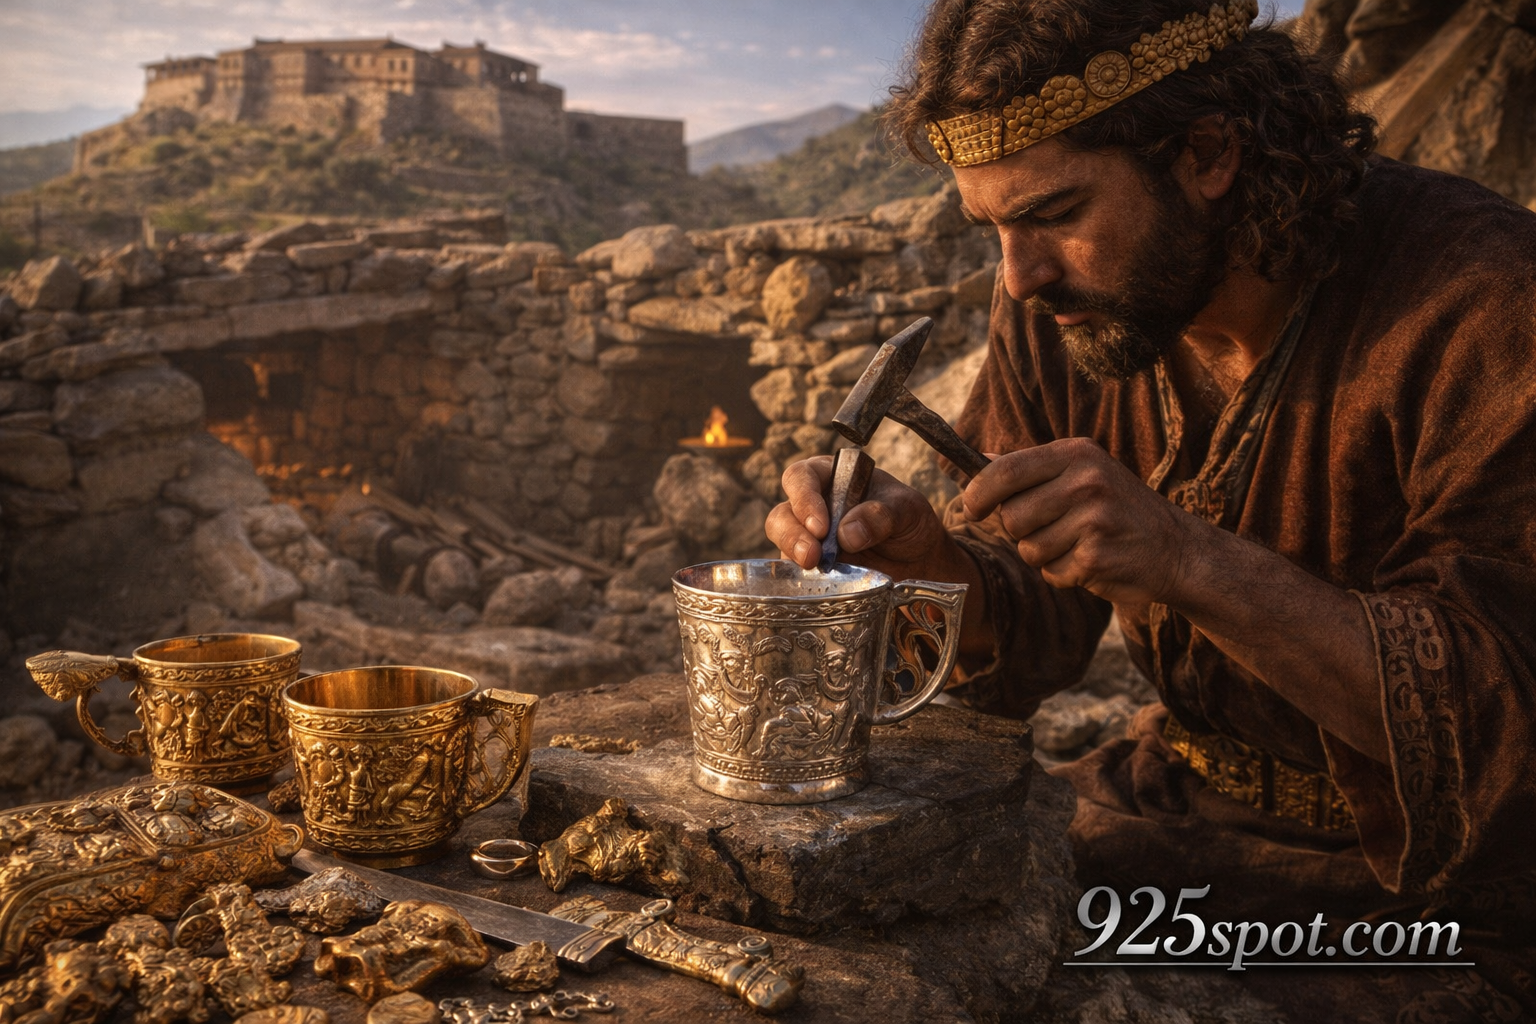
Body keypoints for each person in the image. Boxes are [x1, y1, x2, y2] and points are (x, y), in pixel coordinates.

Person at [765, 0, 1536, 1018]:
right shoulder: (1066, 312)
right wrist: (931, 561)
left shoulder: (1483, 302)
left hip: (1437, 900)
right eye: (991, 227)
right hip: (1168, 810)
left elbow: (1500, 728)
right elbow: (1033, 632)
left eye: (1052, 214)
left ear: (1209, 152)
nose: (1019, 274)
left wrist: (1185, 558)